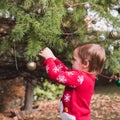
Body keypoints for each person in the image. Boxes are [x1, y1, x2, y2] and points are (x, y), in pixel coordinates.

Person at [39, 42, 106, 120]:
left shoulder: (80, 77)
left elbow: (54, 75)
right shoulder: (85, 77)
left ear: (85, 63)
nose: (71, 61)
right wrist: (54, 59)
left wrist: (49, 59)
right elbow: (66, 71)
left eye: (74, 59)